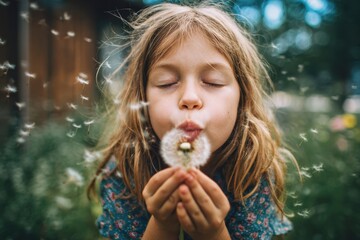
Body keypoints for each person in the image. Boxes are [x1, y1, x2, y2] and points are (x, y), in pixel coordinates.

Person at [88, 2, 298, 240]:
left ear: (243, 99)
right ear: (142, 98)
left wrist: (214, 234)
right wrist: (163, 225)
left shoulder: (253, 169)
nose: (189, 98)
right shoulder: (124, 170)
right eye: (167, 82)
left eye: (213, 81)